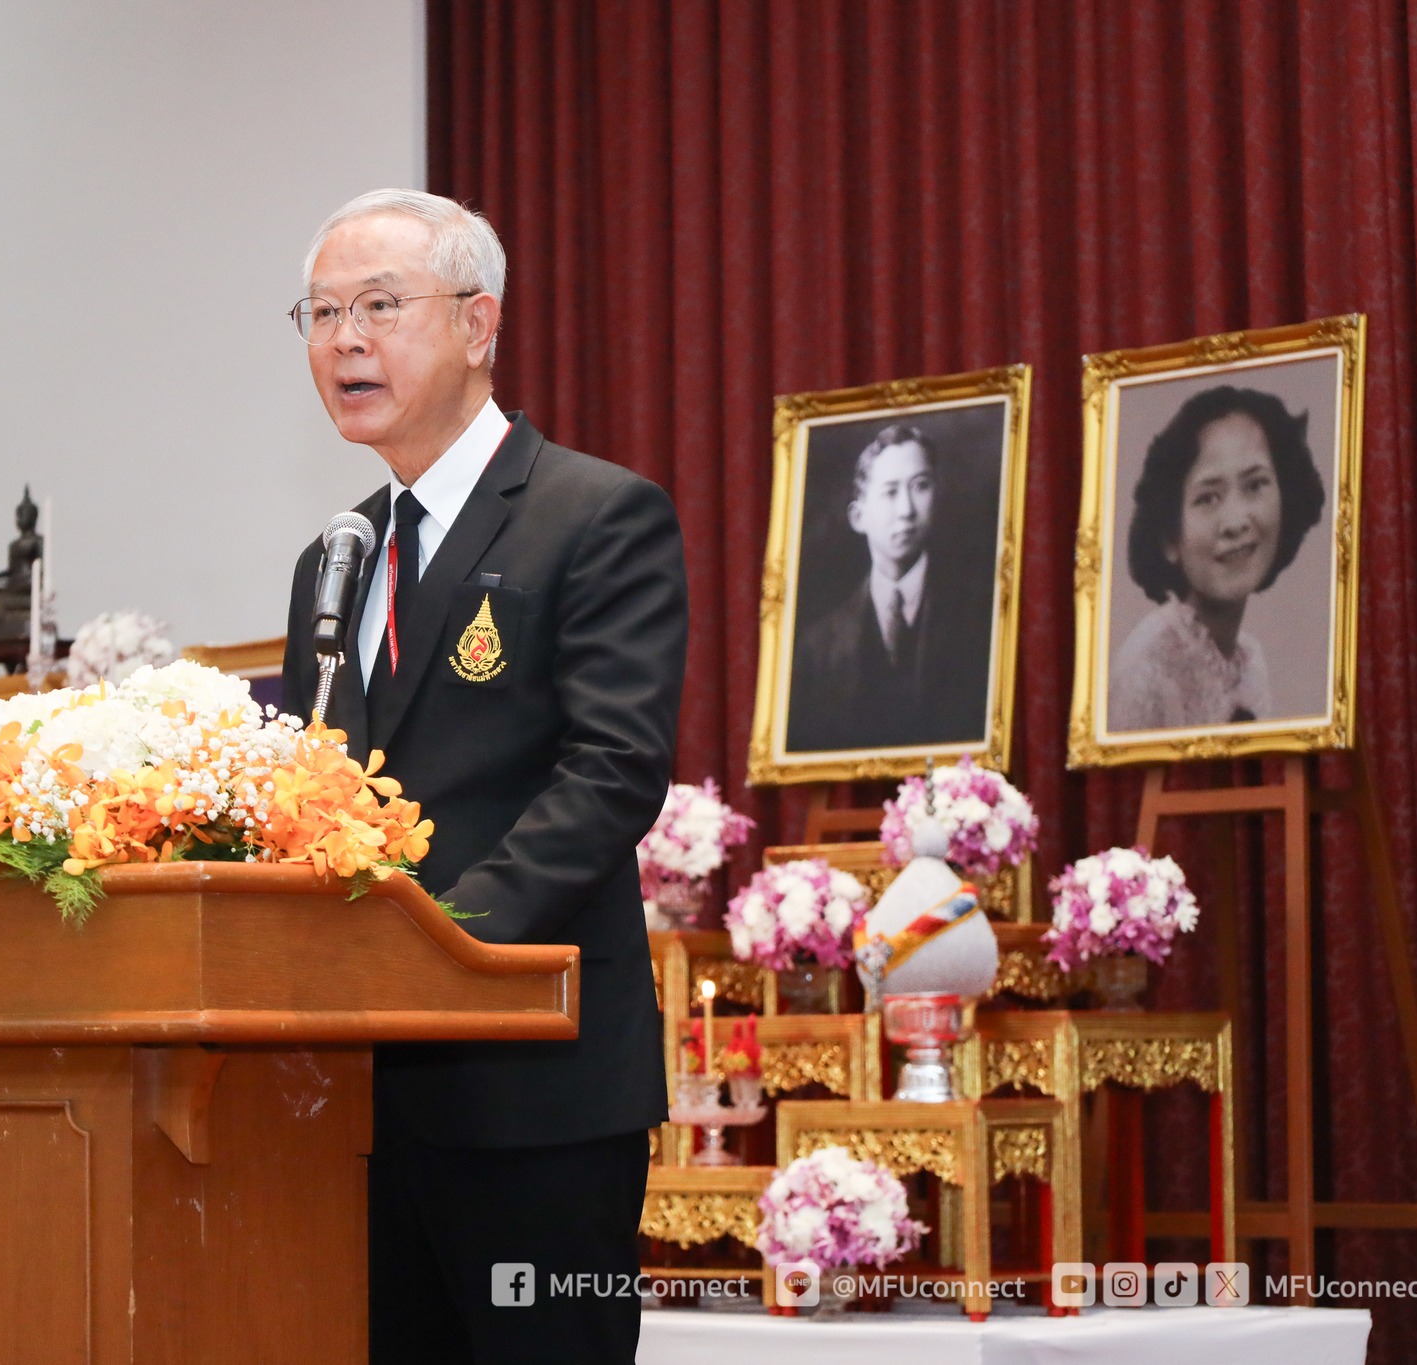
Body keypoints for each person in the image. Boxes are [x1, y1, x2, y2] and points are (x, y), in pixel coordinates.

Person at [278, 189, 688, 1365]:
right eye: (319, 313)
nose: (344, 339)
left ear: (476, 324)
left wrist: (433, 948)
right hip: (356, 1109)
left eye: (377, 307)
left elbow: (609, 774)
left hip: (534, 1094)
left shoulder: (595, 516)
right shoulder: (335, 554)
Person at [1109, 384, 1326, 732]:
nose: (1237, 521)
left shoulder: (1249, 662)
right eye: (1208, 498)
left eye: (1255, 485)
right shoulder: (1145, 671)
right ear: (1169, 537)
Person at [783, 423, 993, 752]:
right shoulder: (818, 648)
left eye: (920, 486)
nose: (906, 510)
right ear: (858, 516)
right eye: (890, 492)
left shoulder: (980, 622)